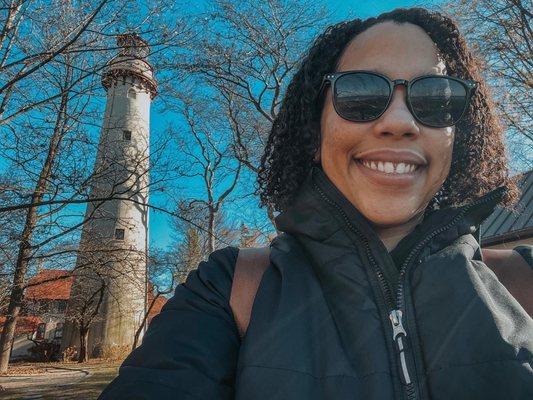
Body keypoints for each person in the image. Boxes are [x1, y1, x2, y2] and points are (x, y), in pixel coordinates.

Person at [99, 7, 533, 400]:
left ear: (460, 136)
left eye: (436, 98)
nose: (400, 122)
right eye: (360, 94)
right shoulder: (227, 289)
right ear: (314, 131)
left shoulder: (523, 280)